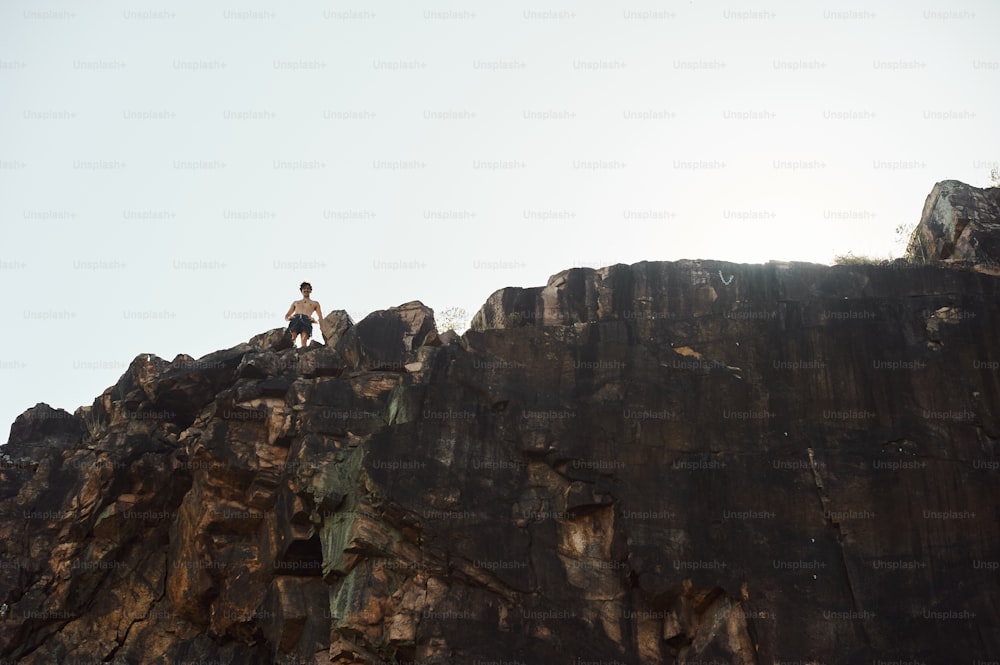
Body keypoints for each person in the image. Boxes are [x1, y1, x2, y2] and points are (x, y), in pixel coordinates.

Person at [285, 282, 323, 349]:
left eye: (308, 288)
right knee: (292, 338)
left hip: (306, 320)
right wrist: (289, 318)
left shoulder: (315, 303)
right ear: (301, 291)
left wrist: (314, 320)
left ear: (311, 290)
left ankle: (302, 355)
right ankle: (291, 354)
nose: (306, 290)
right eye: (304, 288)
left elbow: (321, 319)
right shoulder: (296, 302)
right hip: (296, 319)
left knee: (304, 340)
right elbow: (287, 315)